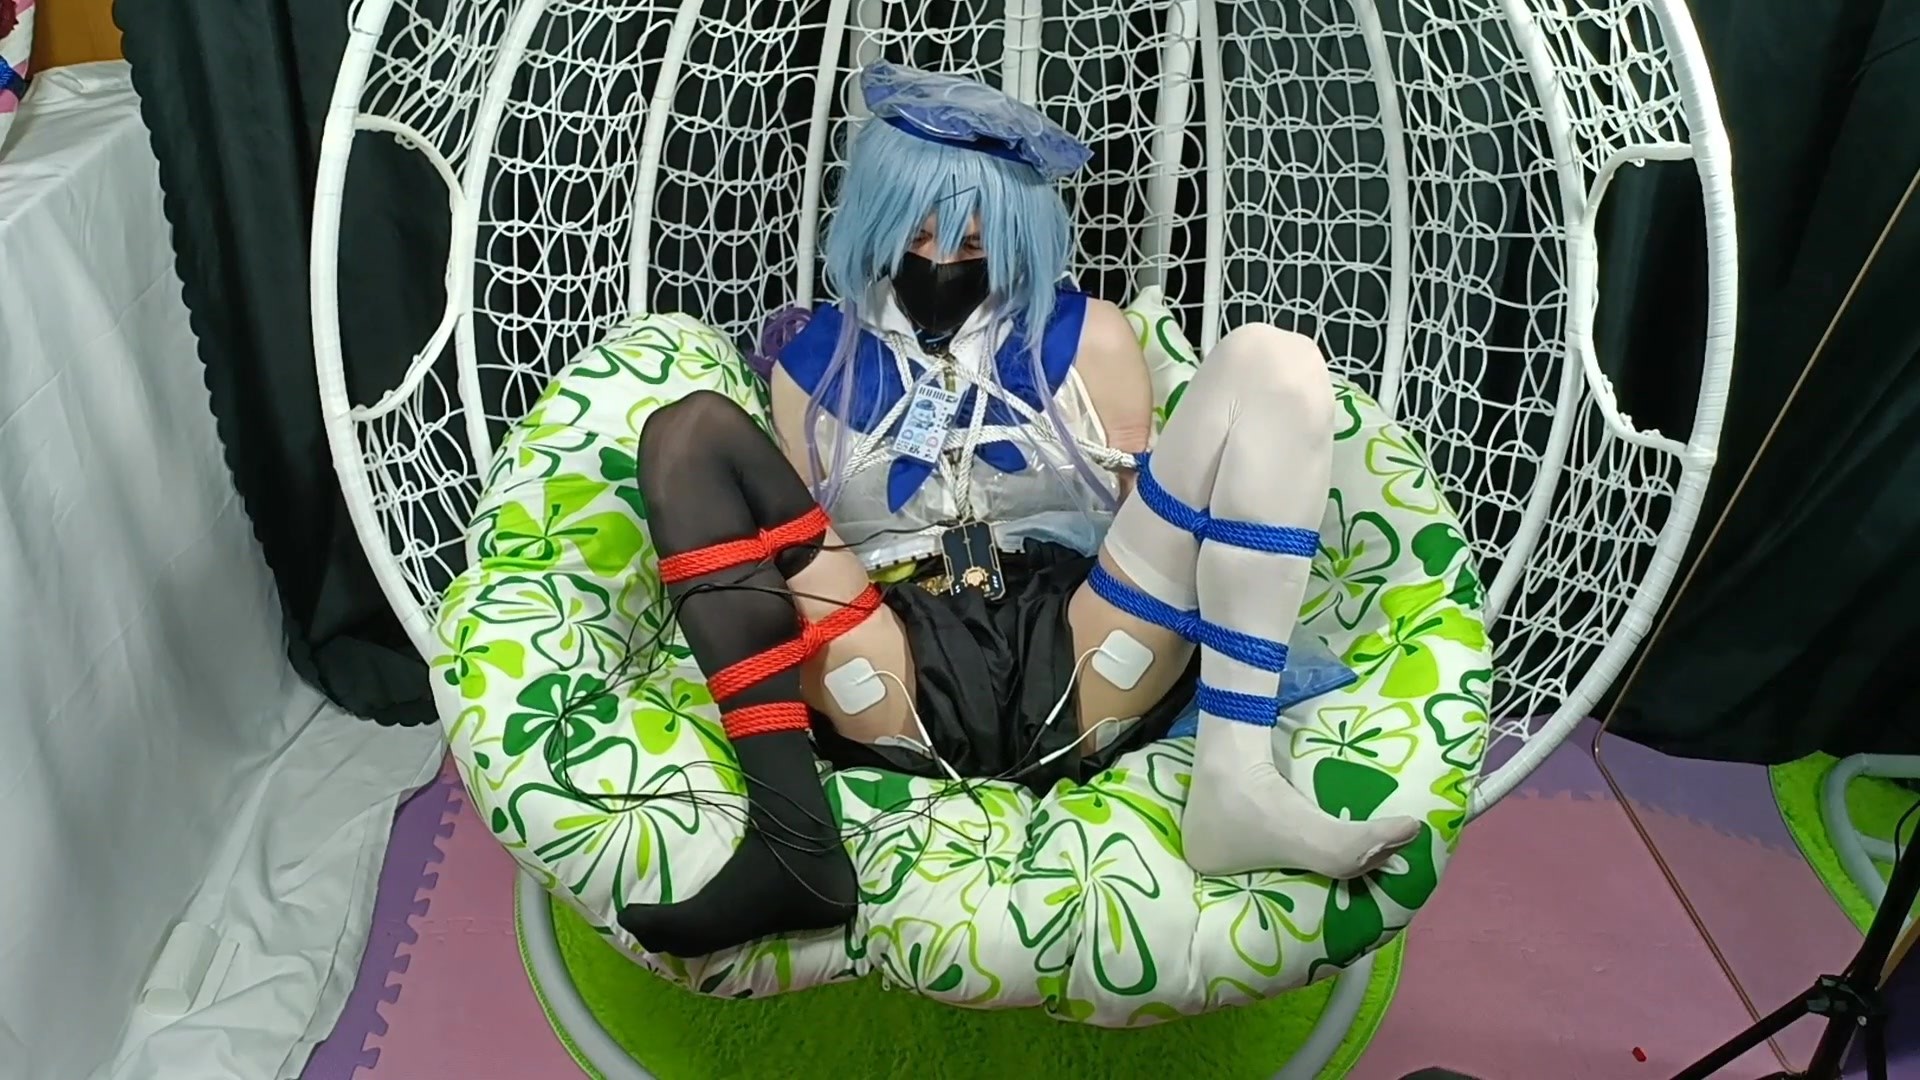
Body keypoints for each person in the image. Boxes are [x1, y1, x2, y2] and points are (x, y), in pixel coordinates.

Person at [617, 64, 1419, 958]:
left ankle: (1237, 783)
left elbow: (1141, 524)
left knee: (1275, 359)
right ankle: (793, 843)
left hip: (1083, 642)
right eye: (917, 233)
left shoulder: (1095, 338)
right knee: (687, 431)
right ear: (875, 221)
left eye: (973, 241)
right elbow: (813, 551)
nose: (940, 262)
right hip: (893, 658)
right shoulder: (814, 365)